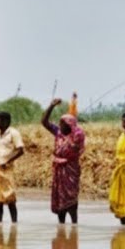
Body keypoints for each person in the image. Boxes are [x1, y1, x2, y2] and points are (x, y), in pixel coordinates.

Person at [41, 95, 85, 225]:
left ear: (70, 125)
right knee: (60, 195)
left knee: (71, 195)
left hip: (70, 169)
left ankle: (74, 223)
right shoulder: (58, 133)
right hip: (59, 170)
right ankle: (61, 225)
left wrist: (70, 140)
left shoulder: (77, 135)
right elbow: (44, 122)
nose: (60, 126)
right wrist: (52, 106)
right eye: (60, 123)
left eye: (62, 124)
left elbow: (76, 148)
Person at [0, 110, 25, 223]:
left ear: (6, 121)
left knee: (10, 197)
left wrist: (8, 161)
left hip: (7, 168)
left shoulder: (13, 133)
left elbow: (20, 150)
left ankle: (14, 222)